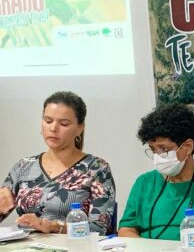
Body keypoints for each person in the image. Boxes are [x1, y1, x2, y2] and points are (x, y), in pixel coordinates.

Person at [118, 103, 194, 241]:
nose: (158, 156)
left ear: (187, 147)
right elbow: (126, 229)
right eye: (153, 150)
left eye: (164, 149)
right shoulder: (144, 183)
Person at [0, 91, 115, 235]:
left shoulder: (97, 168)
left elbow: (99, 229)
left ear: (80, 128)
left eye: (64, 123)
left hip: (74, 250)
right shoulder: (23, 167)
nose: (53, 128)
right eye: (48, 121)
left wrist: (53, 226)